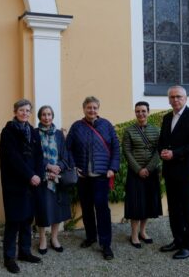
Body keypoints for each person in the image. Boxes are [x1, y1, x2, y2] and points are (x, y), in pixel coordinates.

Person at [66, 96, 120, 260]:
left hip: (101, 176)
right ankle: (90, 237)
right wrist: (74, 166)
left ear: (98, 109)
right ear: (84, 109)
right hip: (83, 177)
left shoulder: (106, 125)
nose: (92, 110)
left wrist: (113, 168)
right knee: (87, 208)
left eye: (94, 107)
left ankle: (106, 244)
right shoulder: (76, 127)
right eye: (89, 107)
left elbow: (116, 148)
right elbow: (68, 149)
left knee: (102, 209)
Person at [158, 86, 189, 259]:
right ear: (169, 99)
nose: (175, 100)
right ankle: (178, 240)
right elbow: (162, 140)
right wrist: (162, 151)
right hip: (170, 170)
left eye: (178, 96)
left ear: (185, 98)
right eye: (172, 97)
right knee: (174, 208)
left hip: (186, 171)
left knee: (188, 209)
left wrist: (175, 153)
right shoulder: (166, 117)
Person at [0, 99, 44, 274]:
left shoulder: (33, 132)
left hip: (32, 182)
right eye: (21, 110)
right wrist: (30, 175)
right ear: (15, 111)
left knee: (27, 219)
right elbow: (13, 158)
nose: (25, 113)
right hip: (15, 183)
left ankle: (24, 252)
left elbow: (39, 155)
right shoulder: (8, 131)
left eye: (27, 110)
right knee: (13, 221)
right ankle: (9, 258)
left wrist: (38, 175)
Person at [123, 101, 162, 248]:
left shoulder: (156, 130)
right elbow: (126, 151)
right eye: (138, 111)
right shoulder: (128, 131)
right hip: (135, 173)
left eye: (143, 111)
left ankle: (143, 231)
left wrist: (149, 168)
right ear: (135, 113)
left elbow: (159, 150)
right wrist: (139, 169)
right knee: (136, 204)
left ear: (148, 112)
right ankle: (134, 234)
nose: (141, 114)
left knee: (148, 203)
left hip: (151, 173)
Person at [35, 105, 72, 255]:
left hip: (58, 178)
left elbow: (65, 156)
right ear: (39, 116)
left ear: (53, 116)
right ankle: (43, 238)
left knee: (58, 209)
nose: (47, 117)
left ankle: (54, 238)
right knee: (43, 209)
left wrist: (58, 167)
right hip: (43, 178)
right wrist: (48, 167)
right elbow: (34, 157)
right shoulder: (34, 134)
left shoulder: (58, 134)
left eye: (49, 114)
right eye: (44, 114)